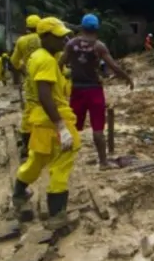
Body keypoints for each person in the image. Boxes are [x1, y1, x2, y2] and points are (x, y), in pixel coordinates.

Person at [11, 18, 81, 229]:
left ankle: (19, 192)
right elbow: (44, 95)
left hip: (40, 120)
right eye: (60, 37)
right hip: (53, 118)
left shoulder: (37, 56)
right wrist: (61, 126)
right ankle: (56, 214)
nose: (64, 40)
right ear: (46, 37)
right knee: (63, 160)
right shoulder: (47, 61)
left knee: (37, 158)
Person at [61, 13, 133, 169]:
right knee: (98, 128)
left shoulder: (71, 44)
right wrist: (127, 78)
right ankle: (103, 162)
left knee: (72, 126)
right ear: (97, 28)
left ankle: (63, 160)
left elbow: (61, 63)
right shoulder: (98, 46)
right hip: (94, 89)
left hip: (77, 89)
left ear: (82, 26)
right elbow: (114, 67)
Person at [11, 14, 43, 158]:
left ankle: (27, 145)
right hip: (47, 79)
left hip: (30, 81)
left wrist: (23, 71)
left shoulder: (21, 41)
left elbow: (14, 61)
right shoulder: (45, 39)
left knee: (29, 112)